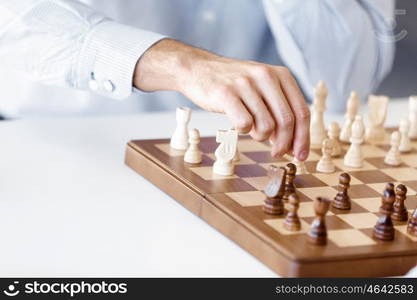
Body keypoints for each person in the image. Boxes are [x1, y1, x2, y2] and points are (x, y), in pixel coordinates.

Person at [0, 0, 395, 160]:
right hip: (59, 145)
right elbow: (17, 22)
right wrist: (181, 64)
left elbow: (348, 83)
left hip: (255, 154)